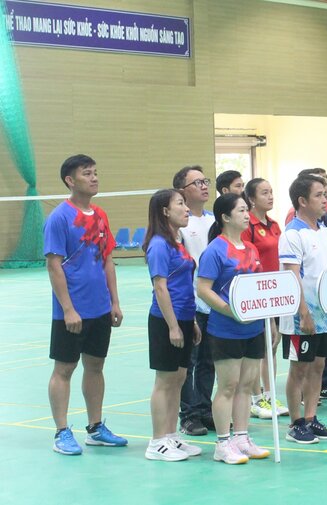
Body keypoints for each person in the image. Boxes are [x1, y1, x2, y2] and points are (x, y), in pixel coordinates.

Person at [44, 154, 127, 456]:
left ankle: (95, 428)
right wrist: (68, 309)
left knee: (95, 366)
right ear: (70, 180)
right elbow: (54, 265)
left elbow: (107, 260)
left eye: (95, 172)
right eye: (87, 173)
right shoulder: (59, 218)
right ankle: (61, 432)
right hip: (71, 311)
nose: (94, 178)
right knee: (64, 369)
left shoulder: (100, 215)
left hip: (100, 308)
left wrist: (114, 301)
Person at [196, 193, 270, 464]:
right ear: (225, 217)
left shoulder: (251, 248)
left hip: (253, 328)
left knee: (247, 385)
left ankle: (241, 438)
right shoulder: (215, 250)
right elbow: (203, 289)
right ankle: (222, 443)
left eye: (246, 210)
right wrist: (231, 311)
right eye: (241, 210)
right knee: (228, 386)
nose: (247, 215)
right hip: (226, 329)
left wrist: (266, 317)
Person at [143, 189, 203, 461]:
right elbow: (160, 287)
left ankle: (171, 436)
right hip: (165, 320)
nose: (186, 209)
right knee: (165, 381)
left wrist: (191, 321)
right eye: (180, 204)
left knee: (178, 379)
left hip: (185, 317)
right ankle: (157, 442)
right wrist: (173, 326)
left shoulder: (178, 241)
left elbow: (184, 285)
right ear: (165, 211)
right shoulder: (158, 245)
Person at [280, 176, 327, 444]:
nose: (325, 200)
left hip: (325, 313)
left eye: (325, 194)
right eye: (319, 195)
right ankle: (296, 423)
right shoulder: (292, 234)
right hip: (300, 316)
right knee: (299, 369)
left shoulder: (324, 230)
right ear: (302, 201)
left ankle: (311, 417)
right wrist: (303, 312)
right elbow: (292, 277)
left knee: (318, 366)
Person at [173, 165, 216, 436]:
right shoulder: (181, 225)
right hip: (191, 304)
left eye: (205, 181)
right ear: (182, 191)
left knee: (209, 361)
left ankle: (205, 409)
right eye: (196, 183)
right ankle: (188, 415)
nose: (204, 186)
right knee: (188, 362)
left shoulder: (215, 221)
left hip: (216, 303)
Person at [241, 178, 289, 419]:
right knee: (257, 349)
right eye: (264, 193)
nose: (270, 196)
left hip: (275, 293)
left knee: (272, 346)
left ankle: (269, 395)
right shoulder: (247, 225)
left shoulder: (274, 225)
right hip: (257, 294)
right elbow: (248, 261)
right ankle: (255, 398)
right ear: (251, 198)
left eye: (271, 192)